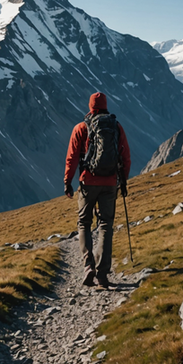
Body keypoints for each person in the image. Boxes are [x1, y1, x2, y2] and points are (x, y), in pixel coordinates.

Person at [64, 92, 131, 288]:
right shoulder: (116, 127)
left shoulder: (81, 128)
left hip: (87, 182)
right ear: (105, 105)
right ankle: (102, 275)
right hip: (110, 182)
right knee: (105, 226)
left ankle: (88, 266)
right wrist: (123, 181)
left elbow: (72, 158)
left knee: (84, 223)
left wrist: (68, 181)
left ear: (90, 106)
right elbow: (125, 157)